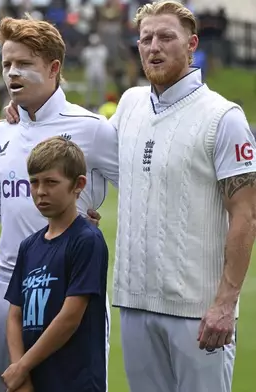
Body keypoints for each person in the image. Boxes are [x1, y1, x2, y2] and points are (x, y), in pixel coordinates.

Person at [0, 15, 117, 392]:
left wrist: (83, 218)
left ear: (53, 68)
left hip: (69, 288)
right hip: (8, 285)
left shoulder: (91, 128)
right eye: (7, 64)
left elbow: (137, 190)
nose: (12, 73)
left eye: (24, 64)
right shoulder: (3, 131)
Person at [109, 1, 256, 391]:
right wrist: (23, 108)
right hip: (135, 303)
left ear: (192, 45)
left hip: (200, 314)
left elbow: (246, 215)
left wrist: (225, 304)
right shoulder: (129, 104)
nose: (153, 47)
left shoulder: (224, 118)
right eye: (145, 39)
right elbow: (85, 160)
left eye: (165, 37)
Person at [2, 136, 108, 392]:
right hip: (33, 379)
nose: (40, 191)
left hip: (74, 381)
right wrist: (22, 373)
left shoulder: (86, 240)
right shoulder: (29, 246)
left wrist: (22, 367)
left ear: (78, 185)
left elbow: (70, 317)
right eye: (34, 182)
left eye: (51, 182)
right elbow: (15, 315)